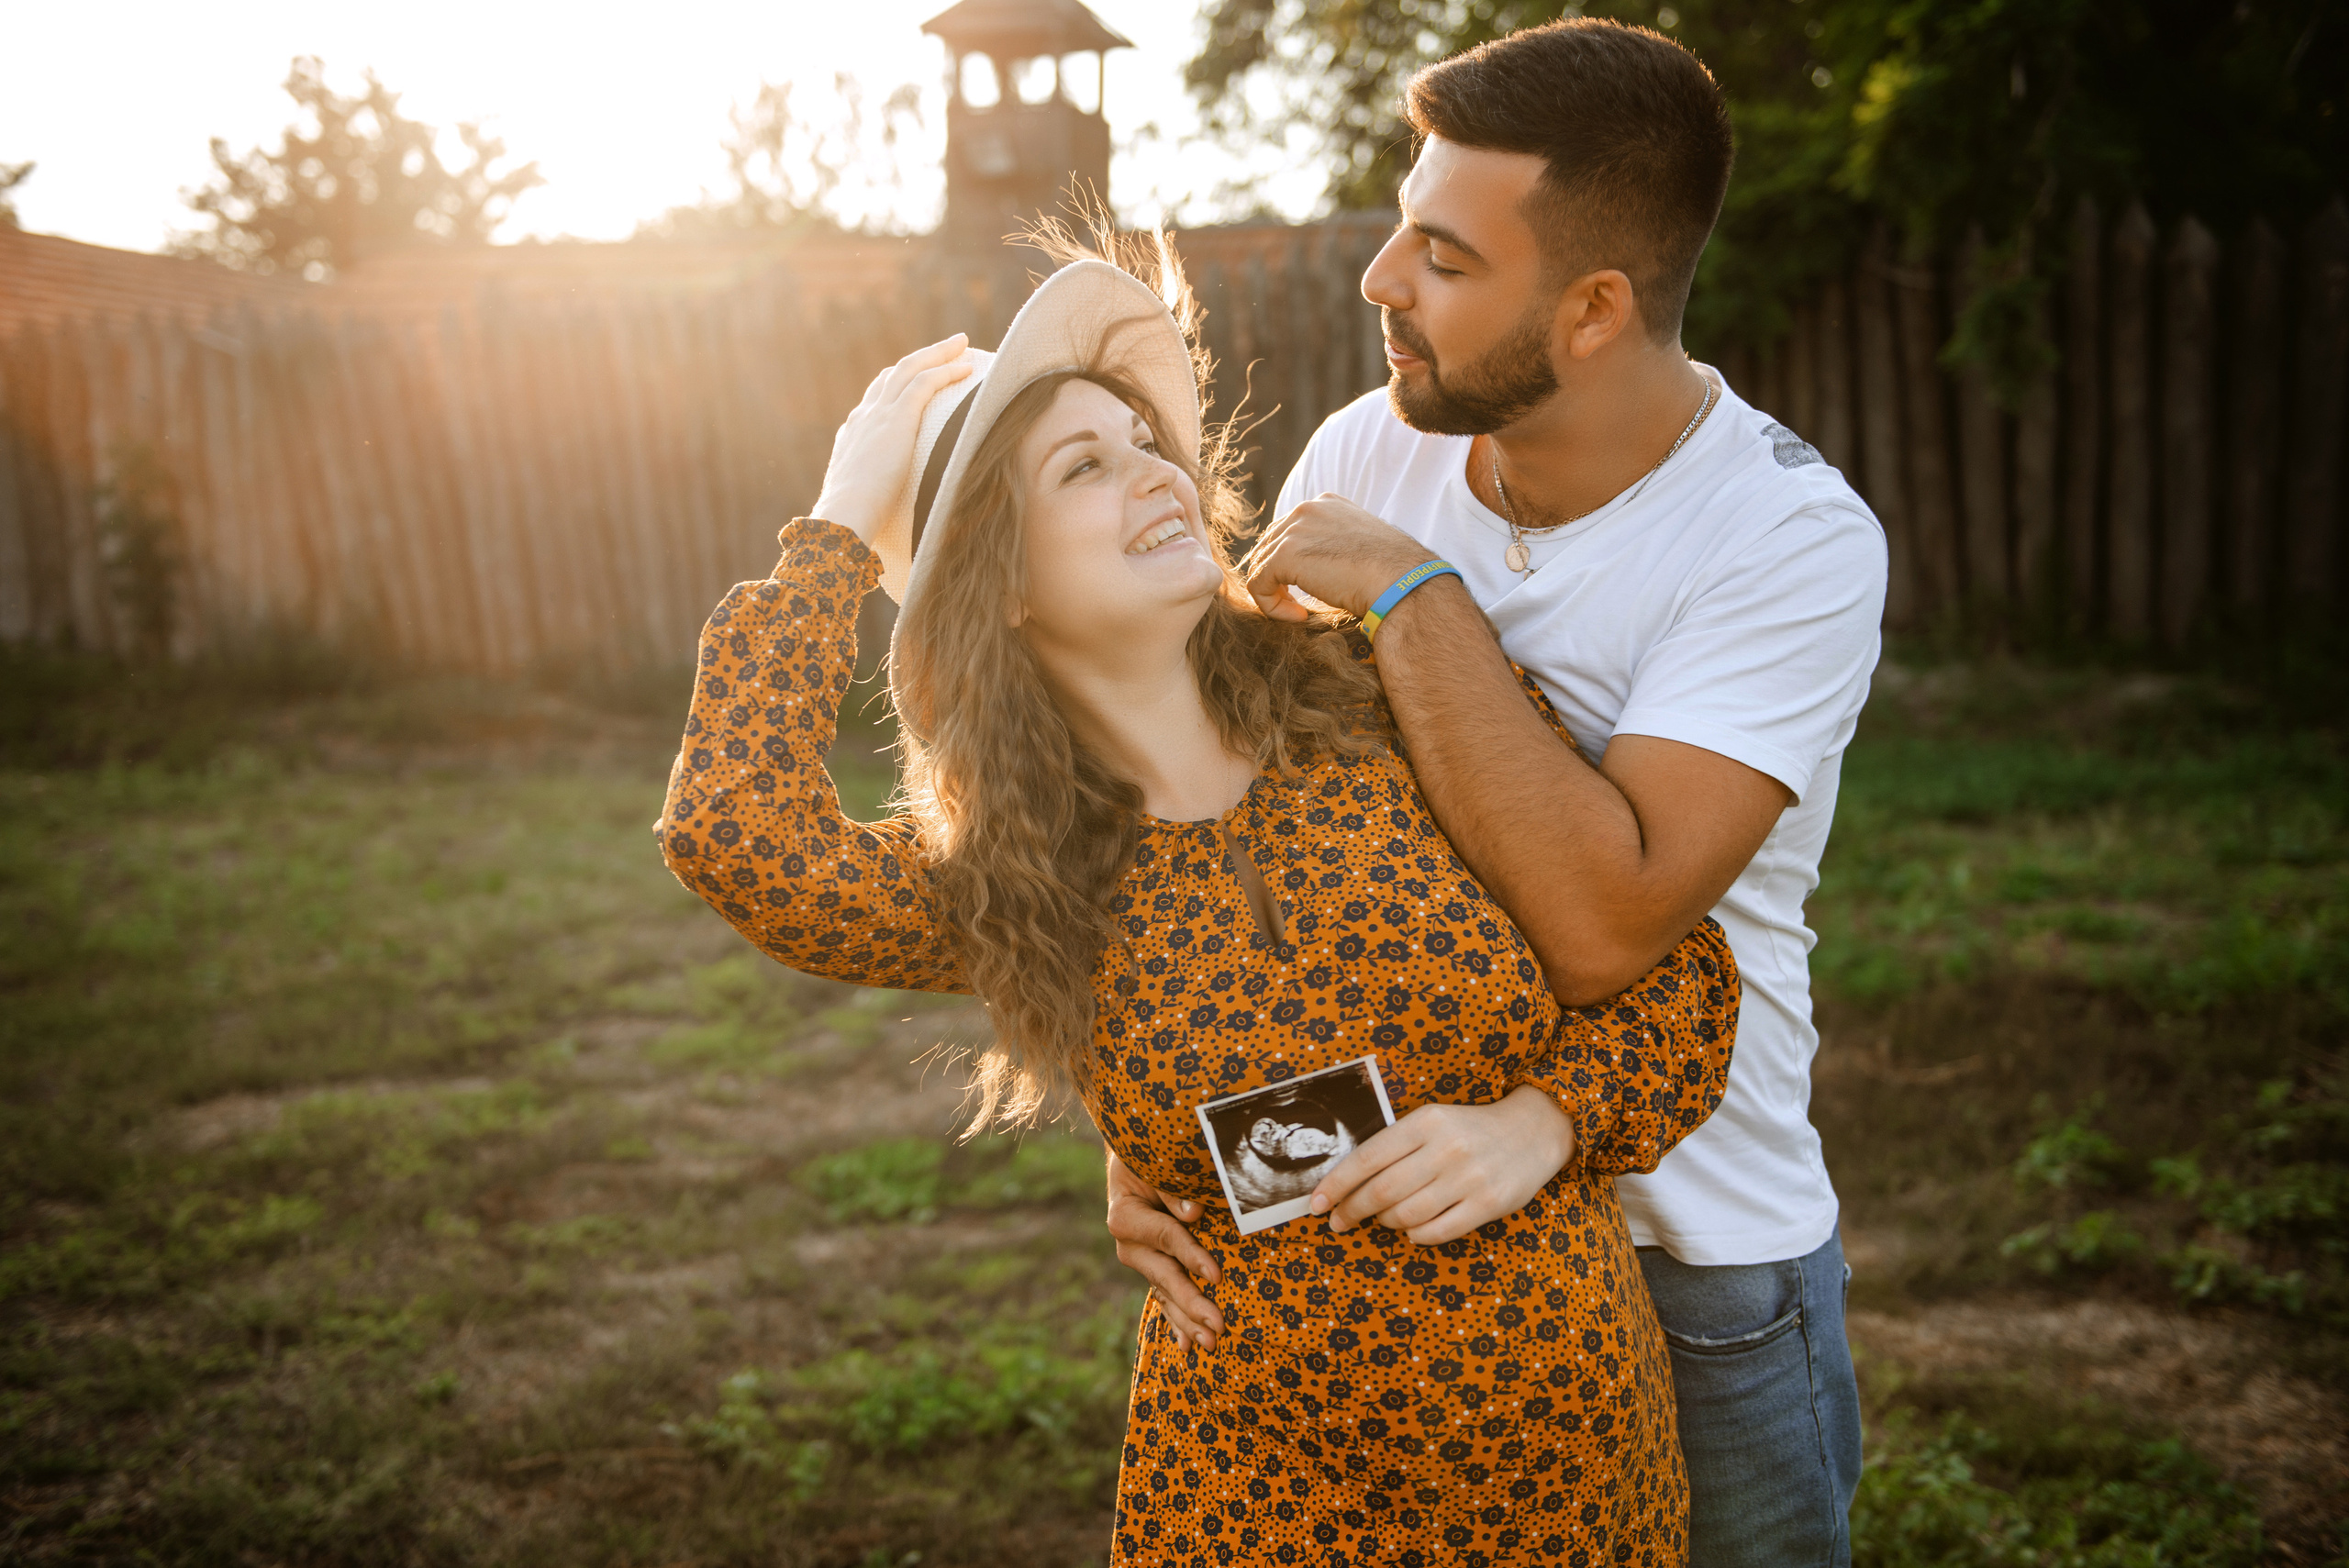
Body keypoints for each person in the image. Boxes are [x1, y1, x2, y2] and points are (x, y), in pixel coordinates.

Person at [656, 237, 1741, 1567]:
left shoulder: (1379, 698)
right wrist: (836, 527)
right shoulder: (1019, 876)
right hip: (1252, 1501)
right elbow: (733, 833)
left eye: (1145, 441)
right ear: (1002, 583)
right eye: (1082, 467)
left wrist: (1546, 1123)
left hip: (1565, 1487)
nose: (1156, 473)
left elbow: (1678, 970)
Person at [1107, 20, 1886, 1568]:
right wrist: (1149, 1131)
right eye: (1404, 226)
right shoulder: (1367, 452)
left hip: (1689, 1249)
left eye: (1444, 258)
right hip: (1385, 1225)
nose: (1378, 278)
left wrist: (1417, 596)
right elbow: (1234, 836)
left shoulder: (1786, 539)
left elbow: (1604, 926)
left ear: (1594, 308)